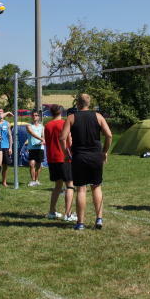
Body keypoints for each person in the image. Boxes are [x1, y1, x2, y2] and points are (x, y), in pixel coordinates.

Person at [60, 94, 112, 230]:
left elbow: (62, 138)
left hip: (79, 156)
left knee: (81, 189)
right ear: (89, 104)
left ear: (77, 103)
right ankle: (99, 219)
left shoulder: (71, 117)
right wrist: (104, 151)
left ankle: (80, 223)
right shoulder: (98, 116)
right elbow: (109, 135)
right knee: (96, 186)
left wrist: (66, 154)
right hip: (96, 156)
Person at [43, 105, 76, 221]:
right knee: (70, 185)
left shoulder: (47, 126)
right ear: (61, 112)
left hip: (52, 158)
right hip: (64, 157)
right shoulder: (64, 123)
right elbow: (69, 140)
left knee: (57, 185)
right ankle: (68, 214)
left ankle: (52, 211)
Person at [26, 110, 45, 187]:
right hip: (32, 148)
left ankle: (37, 180)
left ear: (39, 117)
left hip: (40, 147)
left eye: (36, 115)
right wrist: (41, 139)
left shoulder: (42, 126)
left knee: (39, 164)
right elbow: (32, 133)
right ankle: (32, 180)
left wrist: (42, 140)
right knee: (31, 164)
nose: (34, 117)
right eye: (33, 115)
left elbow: (43, 135)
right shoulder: (29, 125)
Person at [0, 108, 14, 187]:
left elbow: (10, 136)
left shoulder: (7, 124)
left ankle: (4, 181)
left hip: (6, 147)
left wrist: (10, 147)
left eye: (1, 112)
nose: (0, 113)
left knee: (5, 166)